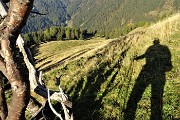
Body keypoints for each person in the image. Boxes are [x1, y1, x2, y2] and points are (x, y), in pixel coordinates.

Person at [124, 38, 172, 120]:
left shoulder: (150, 48)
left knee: (140, 89)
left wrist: (137, 58)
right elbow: (168, 60)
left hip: (149, 71)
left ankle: (132, 106)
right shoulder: (164, 48)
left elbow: (144, 55)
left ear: (154, 43)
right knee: (157, 95)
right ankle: (156, 115)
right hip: (159, 73)